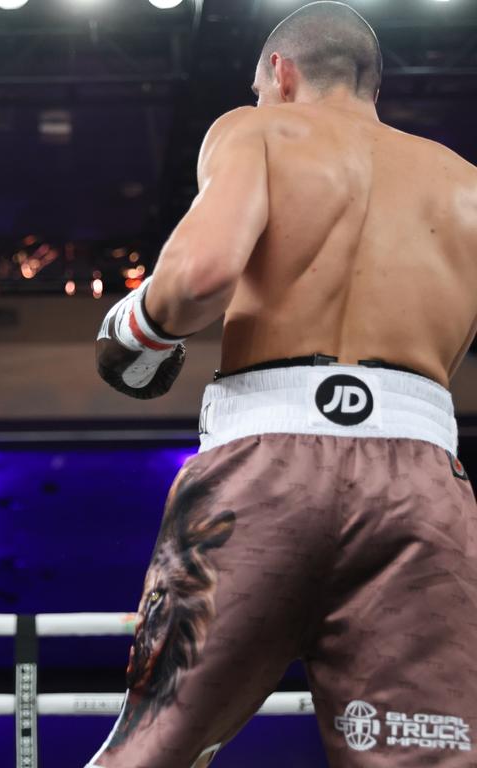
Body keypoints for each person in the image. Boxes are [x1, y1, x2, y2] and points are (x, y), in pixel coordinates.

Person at [90, 2, 477, 766]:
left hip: (264, 470)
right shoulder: (466, 183)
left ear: (281, 74)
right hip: (425, 487)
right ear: (375, 85)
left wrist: (133, 329)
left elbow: (200, 277)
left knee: (155, 751)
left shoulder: (258, 128)